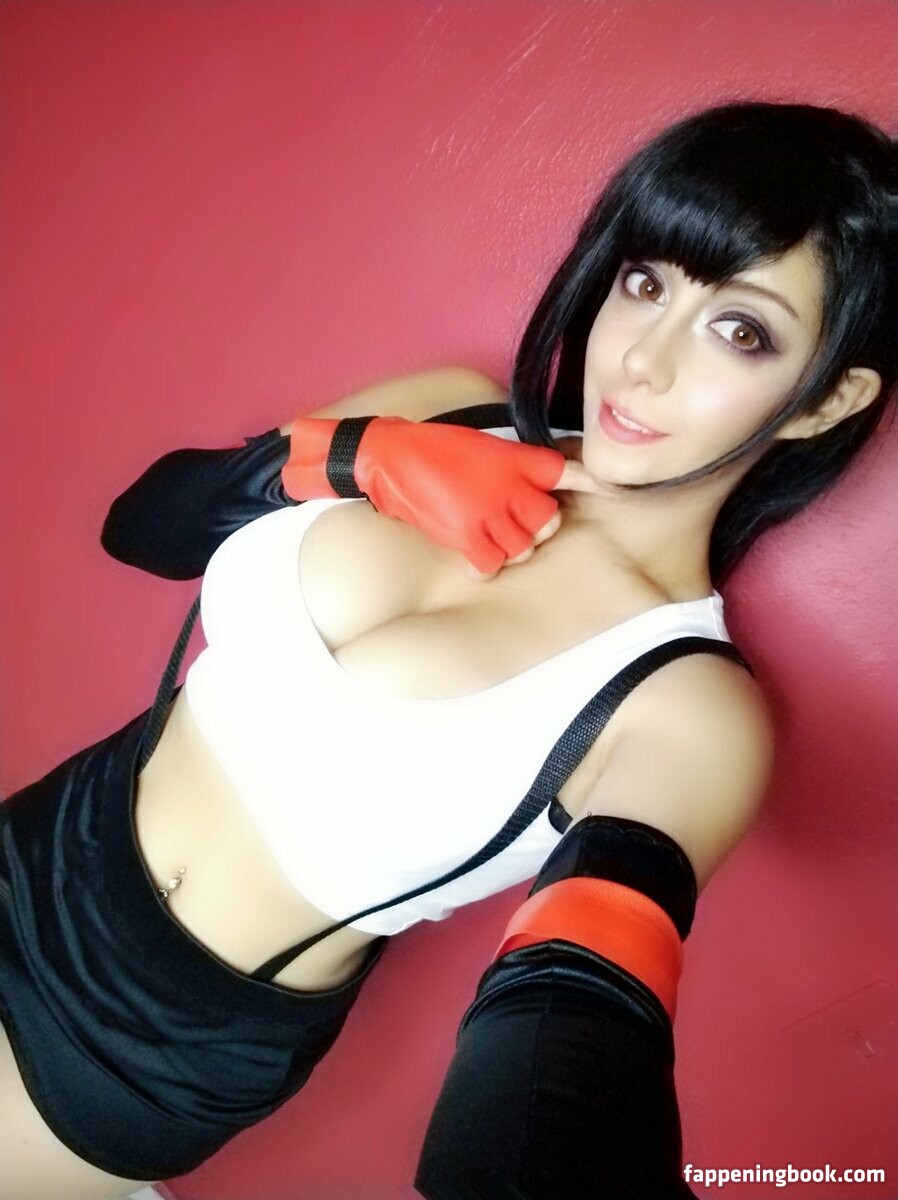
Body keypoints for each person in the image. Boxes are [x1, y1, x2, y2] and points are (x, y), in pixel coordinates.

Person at [0, 99, 893, 1200]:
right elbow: (142, 527)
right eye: (647, 282)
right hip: (48, 829)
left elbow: (572, 1025)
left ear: (824, 402)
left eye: (740, 331)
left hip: (138, 1040)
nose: (643, 361)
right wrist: (353, 457)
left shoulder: (687, 707)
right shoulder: (446, 412)